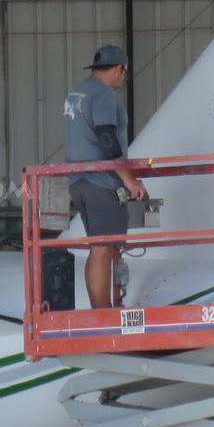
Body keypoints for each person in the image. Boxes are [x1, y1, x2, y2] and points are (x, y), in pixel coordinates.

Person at [62, 44, 145, 309]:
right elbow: (107, 139)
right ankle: (102, 313)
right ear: (120, 68)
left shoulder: (77, 93)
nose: (123, 79)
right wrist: (129, 180)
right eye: (124, 73)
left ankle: (102, 309)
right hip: (101, 182)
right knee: (102, 248)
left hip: (78, 181)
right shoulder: (104, 96)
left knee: (100, 246)